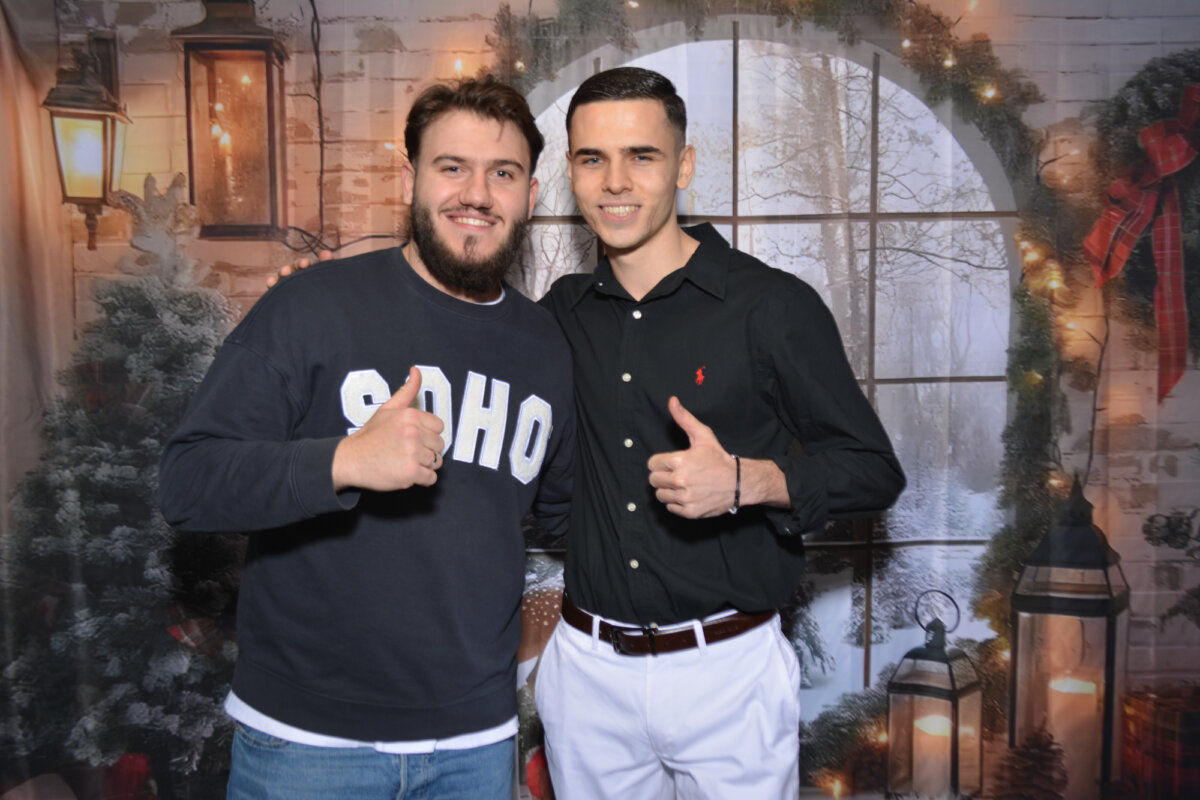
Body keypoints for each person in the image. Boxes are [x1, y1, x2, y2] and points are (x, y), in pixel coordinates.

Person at [158, 76, 575, 800]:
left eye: (502, 173)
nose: (477, 194)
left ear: (530, 196)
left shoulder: (546, 346)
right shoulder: (313, 306)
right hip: (307, 744)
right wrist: (344, 461)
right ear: (410, 180)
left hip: (475, 746)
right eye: (452, 167)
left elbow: (575, 517)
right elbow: (188, 482)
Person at [530, 67, 906, 798]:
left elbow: (873, 471)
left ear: (684, 165)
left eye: (642, 155)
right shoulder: (558, 315)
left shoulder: (771, 306)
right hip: (586, 673)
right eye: (592, 158)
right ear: (571, 172)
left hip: (727, 675)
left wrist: (747, 481)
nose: (615, 181)